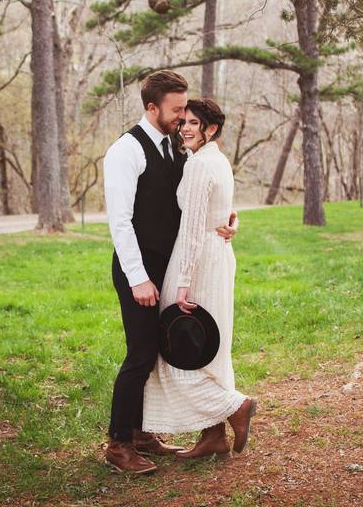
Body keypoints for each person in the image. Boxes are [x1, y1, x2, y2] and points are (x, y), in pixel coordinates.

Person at [103, 71, 237, 474]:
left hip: (172, 265)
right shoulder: (126, 150)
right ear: (151, 107)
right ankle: (119, 444)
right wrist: (138, 277)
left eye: (186, 110)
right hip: (139, 270)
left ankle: (145, 434)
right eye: (177, 110)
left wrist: (230, 220)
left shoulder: (178, 148)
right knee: (141, 355)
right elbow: (120, 222)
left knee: (164, 354)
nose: (183, 117)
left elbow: (203, 199)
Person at [141, 98, 256, 460]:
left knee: (178, 352)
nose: (186, 128)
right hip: (218, 257)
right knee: (209, 351)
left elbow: (191, 230)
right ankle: (213, 437)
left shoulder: (199, 167)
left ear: (211, 129)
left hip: (198, 263)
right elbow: (221, 210)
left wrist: (183, 283)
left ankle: (236, 406)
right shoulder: (216, 161)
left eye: (195, 123)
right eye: (184, 122)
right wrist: (232, 221)